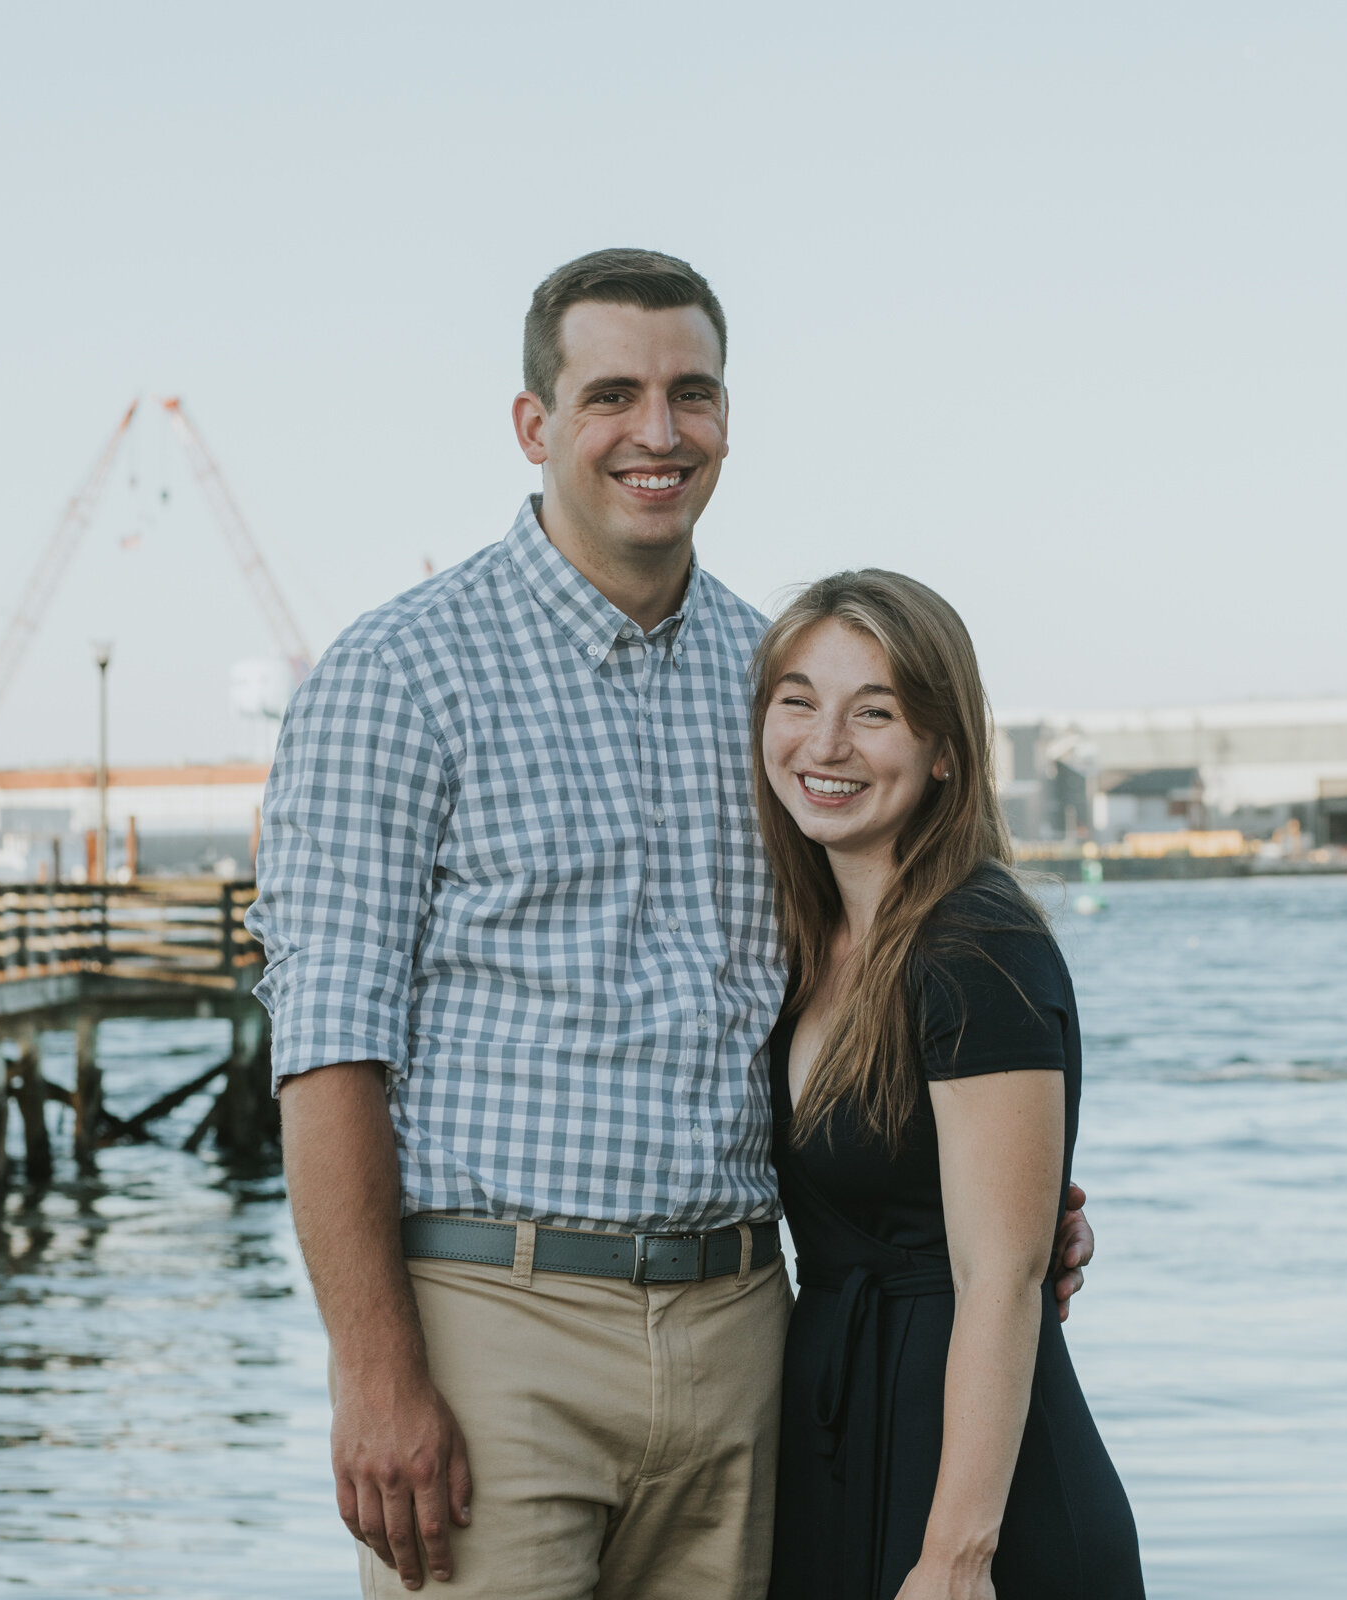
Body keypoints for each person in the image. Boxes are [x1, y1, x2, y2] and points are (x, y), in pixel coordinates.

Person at [249, 248, 1094, 1600]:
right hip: (498, 1331)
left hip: (750, 1335)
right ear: (535, 426)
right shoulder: (399, 678)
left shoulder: (774, 686)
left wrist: (988, 1203)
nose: (658, 432)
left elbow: (863, 993)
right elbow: (330, 1047)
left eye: (691, 394)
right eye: (612, 396)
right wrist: (375, 1372)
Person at [755, 572, 1141, 1600]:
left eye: (872, 712)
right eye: (797, 701)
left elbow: (1004, 1277)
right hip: (842, 1444)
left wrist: (956, 1556)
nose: (824, 743)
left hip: (975, 1494)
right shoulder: (808, 943)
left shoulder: (978, 942)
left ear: (943, 753)